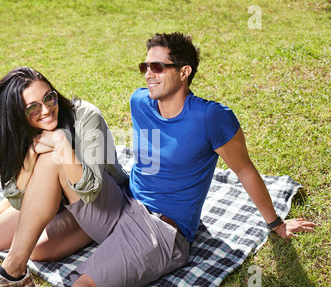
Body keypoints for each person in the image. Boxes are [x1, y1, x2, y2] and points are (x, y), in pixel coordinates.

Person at [0, 66, 129, 287]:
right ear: (18, 114)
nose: (46, 110)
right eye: (33, 107)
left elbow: (90, 190)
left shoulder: (86, 116)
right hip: (56, 198)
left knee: (35, 249)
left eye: (49, 98)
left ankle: (12, 273)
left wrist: (60, 143)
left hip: (94, 203)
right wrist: (31, 153)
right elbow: (15, 200)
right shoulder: (21, 131)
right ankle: (42, 199)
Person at [129, 32, 316, 244]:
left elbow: (244, 170)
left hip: (164, 223)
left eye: (157, 67)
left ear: (184, 72)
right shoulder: (139, 101)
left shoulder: (211, 118)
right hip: (126, 200)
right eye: (145, 67)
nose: (148, 74)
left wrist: (276, 224)